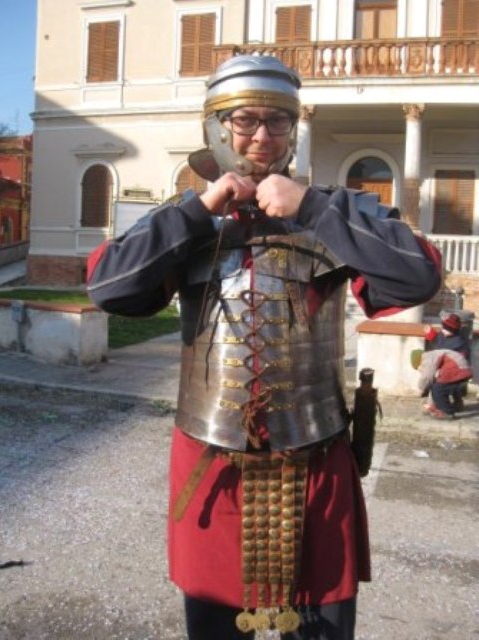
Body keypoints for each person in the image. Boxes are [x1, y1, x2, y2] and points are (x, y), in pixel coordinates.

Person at [87, 55, 441, 640]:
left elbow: (418, 278)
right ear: (216, 128)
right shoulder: (185, 220)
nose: (261, 136)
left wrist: (312, 208)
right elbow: (108, 287)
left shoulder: (334, 210)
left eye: (278, 121)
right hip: (212, 462)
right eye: (244, 120)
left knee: (324, 629)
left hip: (316, 459)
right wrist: (199, 211)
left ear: (293, 128)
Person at [422, 312, 471, 413]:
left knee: (437, 383)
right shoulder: (444, 335)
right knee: (453, 387)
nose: (443, 331)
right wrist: (430, 333)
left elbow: (459, 358)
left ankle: (432, 404)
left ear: (452, 330)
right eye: (443, 328)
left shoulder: (458, 342)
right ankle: (458, 404)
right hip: (448, 366)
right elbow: (437, 339)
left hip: (454, 368)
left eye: (446, 329)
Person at [411, 348, 473, 420]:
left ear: (419, 361)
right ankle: (458, 406)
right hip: (464, 368)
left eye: (420, 368)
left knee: (438, 390)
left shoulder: (427, 358)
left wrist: (421, 388)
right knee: (450, 387)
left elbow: (427, 377)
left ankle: (447, 412)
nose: (421, 370)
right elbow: (433, 380)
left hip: (456, 368)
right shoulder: (435, 355)